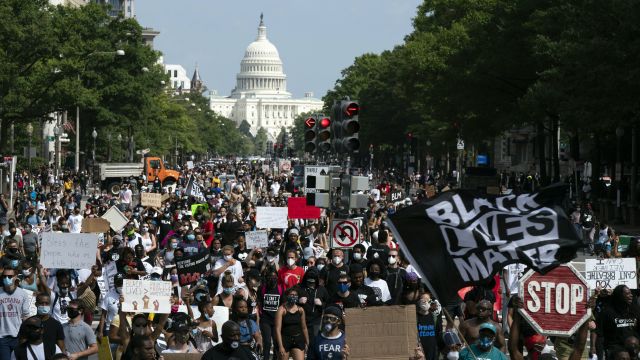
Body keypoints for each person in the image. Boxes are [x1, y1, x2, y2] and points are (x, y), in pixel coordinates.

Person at [597, 285, 640, 355]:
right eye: (627, 294)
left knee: (632, 342)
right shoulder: (607, 312)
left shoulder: (635, 311)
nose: (631, 295)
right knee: (623, 356)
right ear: (619, 296)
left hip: (633, 348)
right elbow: (600, 334)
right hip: (615, 349)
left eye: (631, 293)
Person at [0, 267, 31, 360]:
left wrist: (25, 335)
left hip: (17, 337)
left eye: (10, 276)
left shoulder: (23, 294)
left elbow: (25, 316)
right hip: (1, 337)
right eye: (4, 276)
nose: (7, 278)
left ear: (15, 277)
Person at [275, 287, 309, 360]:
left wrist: (308, 342)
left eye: (295, 295)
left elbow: (304, 327)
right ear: (287, 296)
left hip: (298, 339)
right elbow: (277, 329)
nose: (293, 297)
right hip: (285, 340)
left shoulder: (300, 310)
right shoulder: (281, 309)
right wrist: (280, 346)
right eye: (291, 295)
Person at [416, 292, 443, 360]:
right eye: (423, 299)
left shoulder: (434, 317)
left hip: (432, 352)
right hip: (419, 352)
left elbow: (438, 334)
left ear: (430, 302)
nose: (425, 302)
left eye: (427, 299)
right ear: (419, 302)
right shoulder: (415, 317)